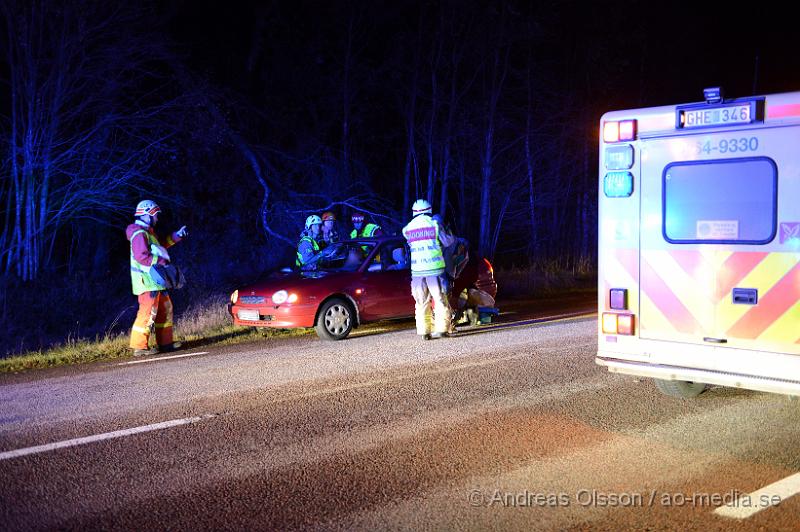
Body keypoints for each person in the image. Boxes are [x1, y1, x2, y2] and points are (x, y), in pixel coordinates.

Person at [127, 200, 188, 356]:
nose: (157, 218)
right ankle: (139, 347)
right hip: (147, 282)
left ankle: (165, 344)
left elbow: (159, 246)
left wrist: (176, 237)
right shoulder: (139, 234)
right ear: (147, 215)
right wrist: (161, 263)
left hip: (156, 280)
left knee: (165, 310)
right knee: (147, 313)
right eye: (155, 215)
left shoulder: (148, 233)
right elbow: (142, 257)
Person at [401, 199, 452, 340]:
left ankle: (424, 332)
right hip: (435, 270)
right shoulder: (434, 225)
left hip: (417, 273)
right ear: (429, 210)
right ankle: (442, 330)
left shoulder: (407, 229)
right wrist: (445, 227)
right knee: (440, 300)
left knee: (421, 302)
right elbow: (448, 241)